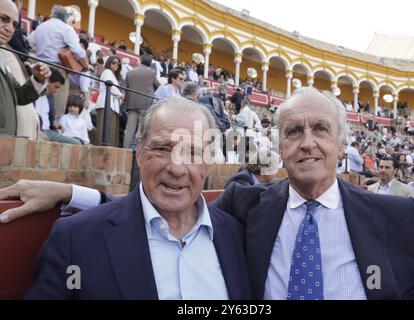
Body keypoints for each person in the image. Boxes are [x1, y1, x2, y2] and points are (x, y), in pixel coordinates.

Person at [2, 88, 414, 300]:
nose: (308, 142)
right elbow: (158, 205)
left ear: (343, 141)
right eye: (293, 131)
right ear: (279, 144)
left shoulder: (401, 218)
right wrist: (71, 193)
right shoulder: (250, 209)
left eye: (321, 130)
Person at [25, 97, 251, 299]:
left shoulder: (236, 235)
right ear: (140, 152)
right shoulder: (75, 239)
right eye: (162, 148)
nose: (177, 168)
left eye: (192, 152)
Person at [0, 0, 51, 136]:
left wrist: (37, 79)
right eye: (4, 19)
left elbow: (19, 95)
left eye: (14, 24)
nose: (9, 28)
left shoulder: (2, 58)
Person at [33, 5, 87, 118]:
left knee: (37, 99)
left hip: (38, 65)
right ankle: (55, 125)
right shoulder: (66, 28)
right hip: (57, 68)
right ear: (65, 17)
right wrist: (86, 64)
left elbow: (30, 42)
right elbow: (77, 51)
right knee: (58, 104)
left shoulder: (41, 26)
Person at [34, 69, 82, 145]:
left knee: (76, 143)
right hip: (36, 130)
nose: (56, 91)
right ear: (47, 81)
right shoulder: (33, 93)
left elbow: (47, 117)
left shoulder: (49, 98)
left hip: (48, 131)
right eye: (55, 87)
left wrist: (53, 123)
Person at [122, 55, 160, 149]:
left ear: (141, 61)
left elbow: (125, 88)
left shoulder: (130, 73)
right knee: (141, 130)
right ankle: (138, 152)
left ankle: (125, 150)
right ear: (150, 63)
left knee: (129, 130)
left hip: (131, 104)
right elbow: (158, 86)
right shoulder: (151, 72)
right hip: (145, 104)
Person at [95, 56, 123, 147]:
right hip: (105, 104)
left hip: (112, 106)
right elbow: (110, 86)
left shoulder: (113, 75)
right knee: (104, 131)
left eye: (118, 64)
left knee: (110, 132)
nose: (116, 65)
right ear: (109, 63)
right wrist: (121, 95)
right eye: (113, 63)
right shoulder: (107, 71)